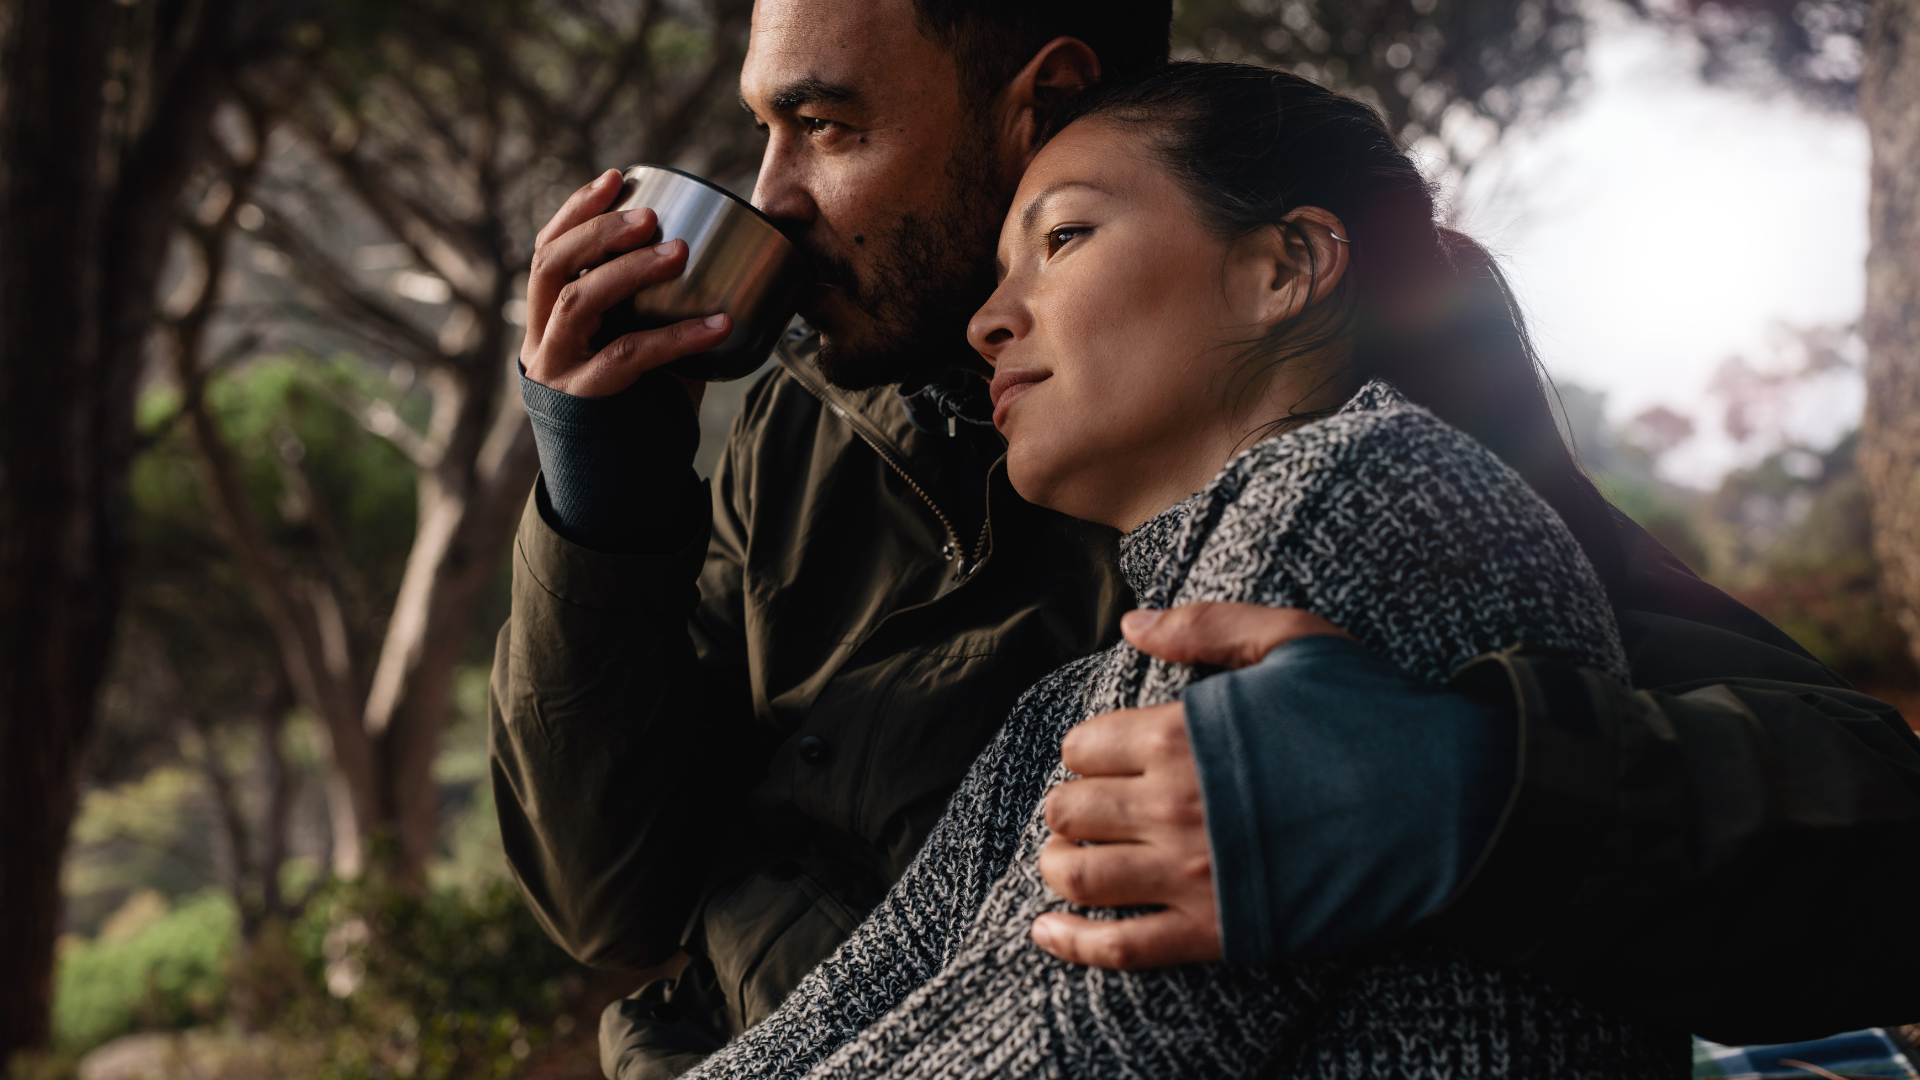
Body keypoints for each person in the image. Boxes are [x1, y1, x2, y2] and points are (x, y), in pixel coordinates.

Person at [491, 2, 1920, 1077]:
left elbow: (1876, 832)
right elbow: (611, 908)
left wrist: (1478, 788)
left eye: (830, 127)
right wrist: (601, 502)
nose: (774, 196)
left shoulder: (1351, 422)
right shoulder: (800, 417)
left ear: (1039, 95)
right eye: (763, 130)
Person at [677, 62, 1692, 1079]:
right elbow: (849, 1006)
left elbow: (1084, 1047)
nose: (990, 320)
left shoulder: (1363, 493)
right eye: (999, 271)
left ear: (1280, 268)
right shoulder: (1072, 703)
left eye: (1062, 239)